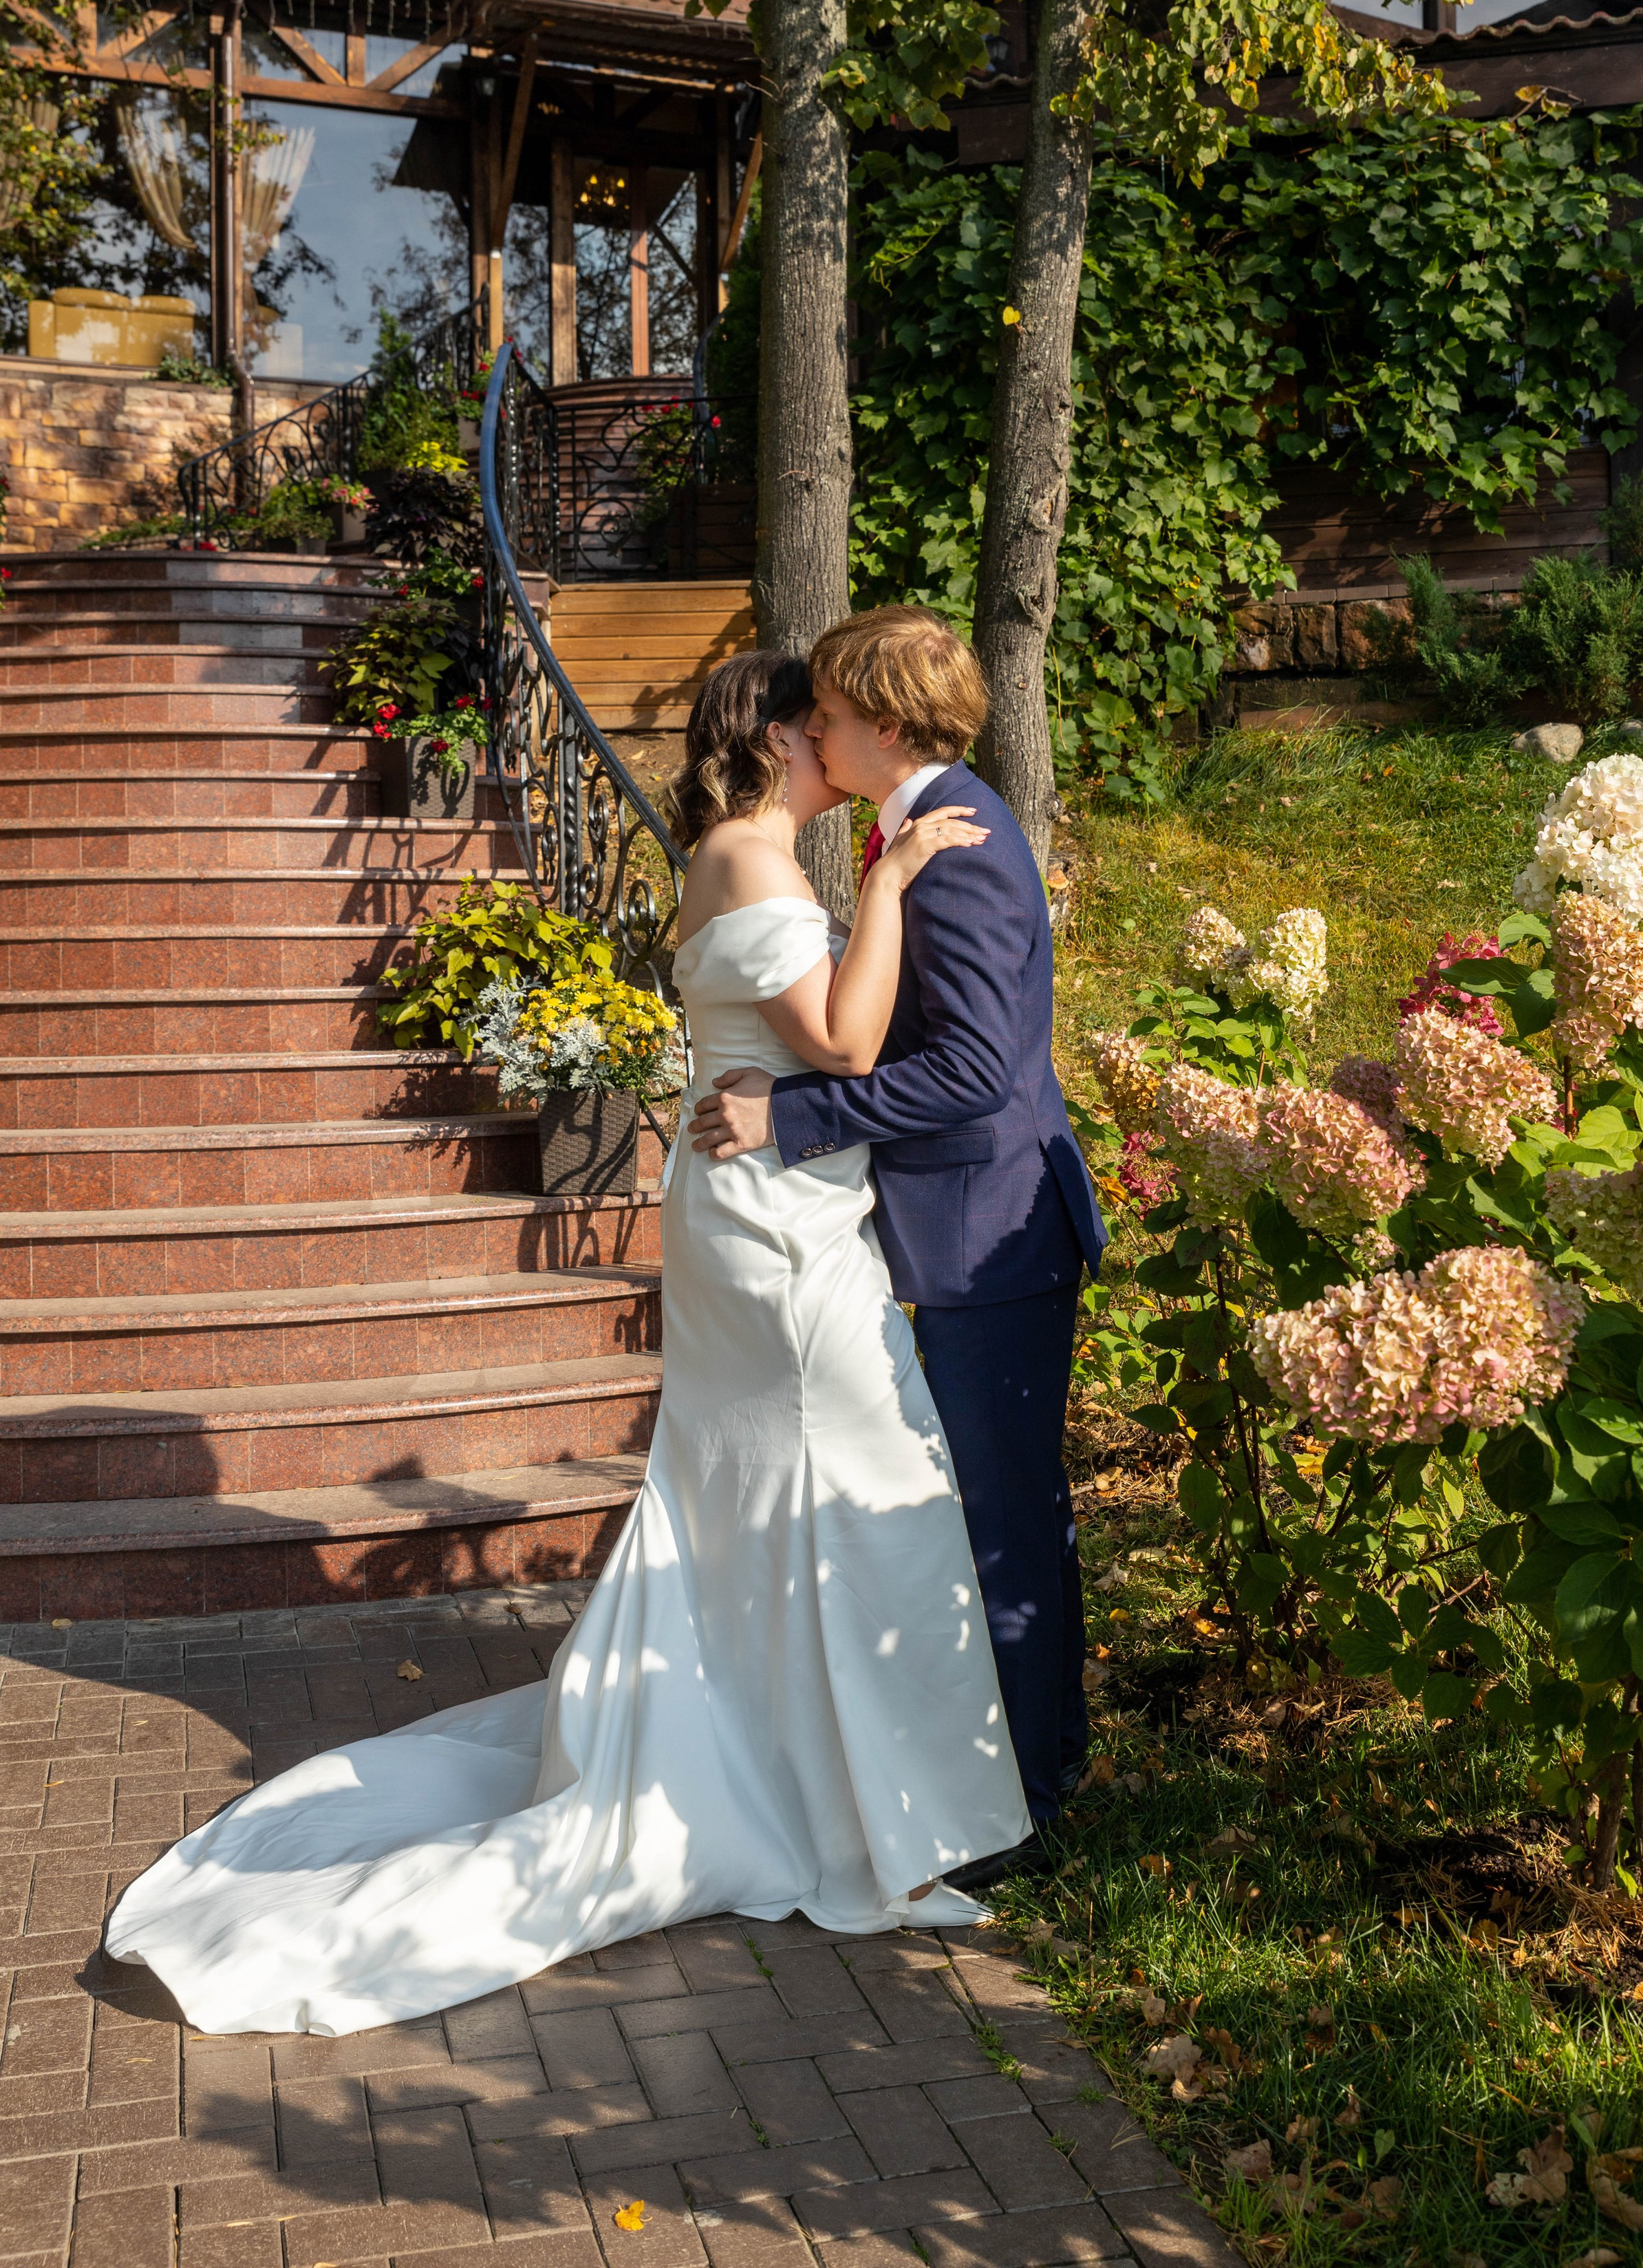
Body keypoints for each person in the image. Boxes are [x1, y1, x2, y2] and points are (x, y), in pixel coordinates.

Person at [102, 650, 1031, 2037]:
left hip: (768, 1207)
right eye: (819, 721)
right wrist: (891, 886)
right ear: (779, 739)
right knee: (846, 1479)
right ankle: (842, 1809)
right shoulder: (752, 862)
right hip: (775, 1234)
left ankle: (801, 1767)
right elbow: (845, 1047)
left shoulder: (748, 857)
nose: (837, 740)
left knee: (788, 1493)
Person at [689, 608, 1106, 1870]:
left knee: (1002, 1515)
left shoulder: (959, 846)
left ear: (879, 723)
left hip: (993, 1234)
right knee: (982, 1503)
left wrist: (792, 1117)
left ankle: (1032, 1798)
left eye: (826, 713)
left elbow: (976, 1071)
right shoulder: (914, 829)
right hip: (954, 1228)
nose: (813, 730)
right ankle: (1011, 1770)